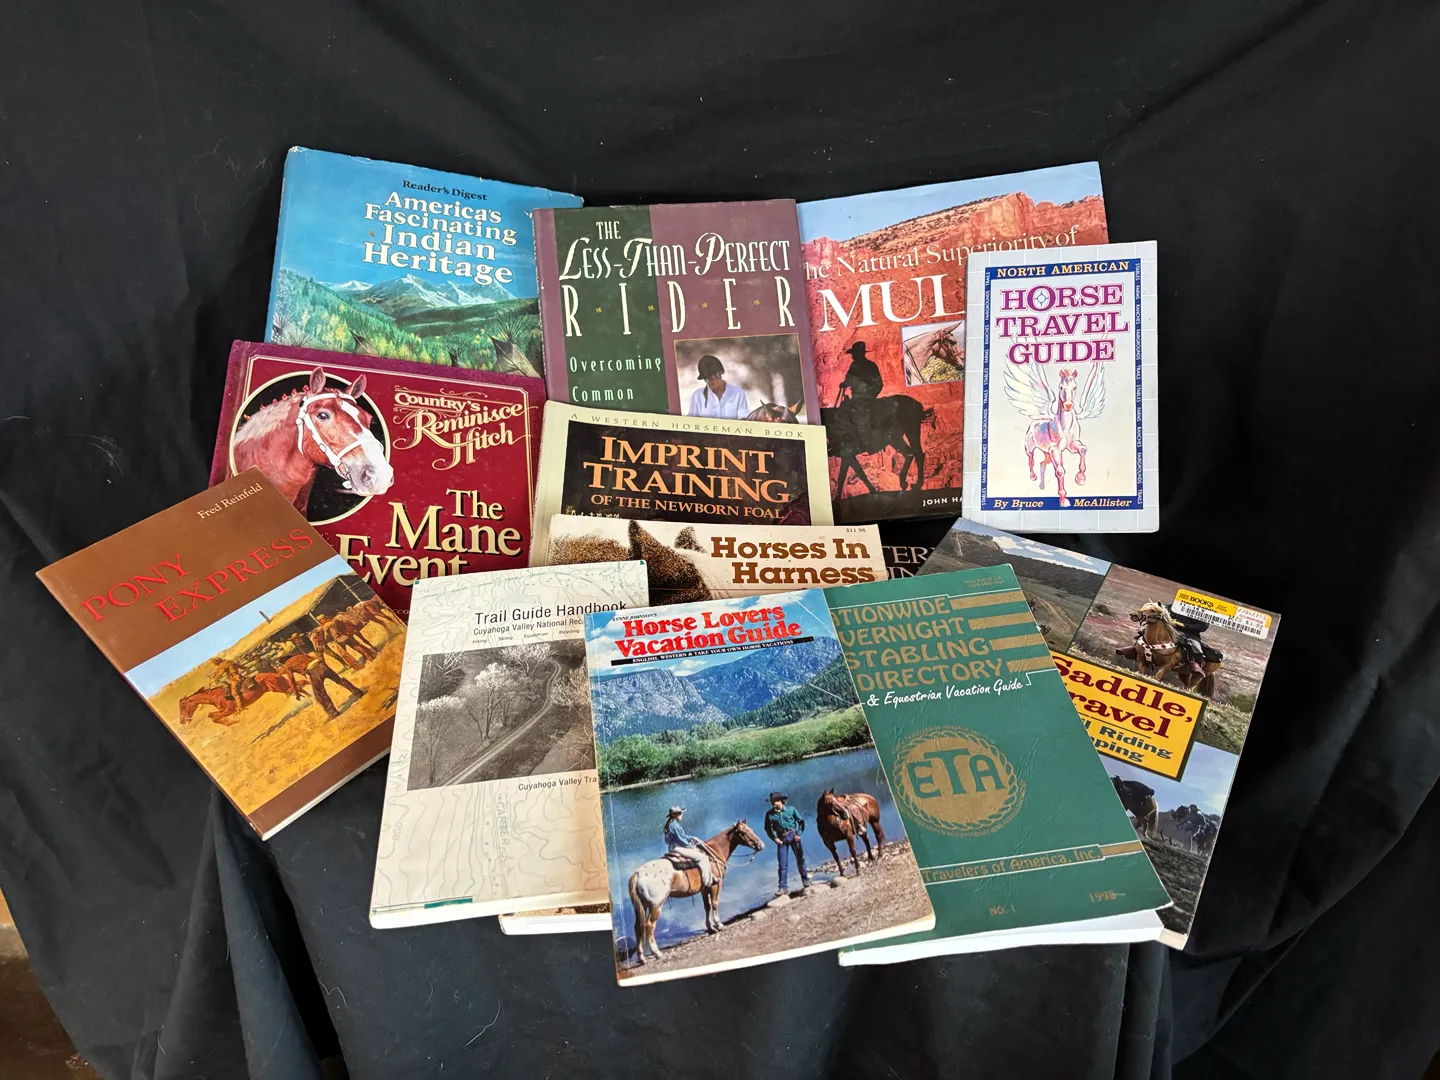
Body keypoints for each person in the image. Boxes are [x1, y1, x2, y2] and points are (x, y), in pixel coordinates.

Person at [763, 791, 809, 896]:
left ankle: (805, 880)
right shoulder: (769, 814)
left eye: (774, 801)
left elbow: (801, 822)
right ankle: (783, 888)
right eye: (772, 802)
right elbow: (767, 828)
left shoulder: (791, 809)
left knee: (800, 859)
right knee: (782, 864)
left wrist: (799, 834)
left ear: (780, 801)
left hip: (793, 836)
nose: (773, 803)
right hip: (781, 839)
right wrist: (775, 839)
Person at [662, 807, 715, 888]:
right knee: (703, 857)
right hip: (677, 848)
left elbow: (682, 837)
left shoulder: (671, 824)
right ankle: (707, 882)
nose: (682, 815)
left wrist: (693, 838)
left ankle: (710, 876)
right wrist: (690, 846)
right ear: (675, 815)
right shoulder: (674, 826)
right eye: (680, 813)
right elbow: (681, 840)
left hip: (673, 847)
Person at [687, 355, 750, 419]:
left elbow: (744, 419)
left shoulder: (738, 394)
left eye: (711, 378)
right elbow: (691, 421)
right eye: (706, 379)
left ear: (719, 374)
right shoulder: (697, 396)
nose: (708, 382)